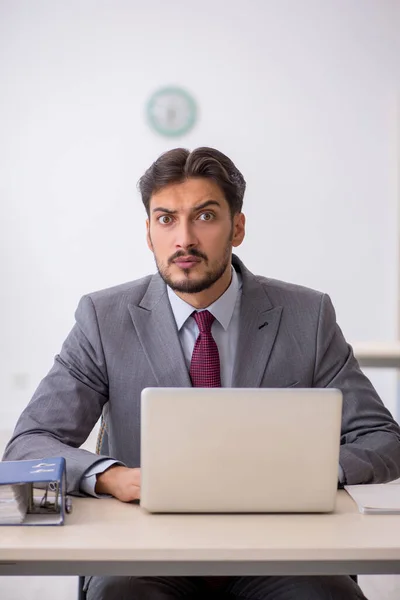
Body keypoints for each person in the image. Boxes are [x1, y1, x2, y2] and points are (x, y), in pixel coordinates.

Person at [4, 147, 400, 599]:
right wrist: (112, 475)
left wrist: (309, 474)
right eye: (166, 219)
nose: (184, 239)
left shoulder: (306, 316)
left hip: (284, 551)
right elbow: (27, 444)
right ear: (149, 233)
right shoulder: (103, 318)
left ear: (238, 228)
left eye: (205, 217)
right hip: (142, 552)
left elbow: (383, 439)